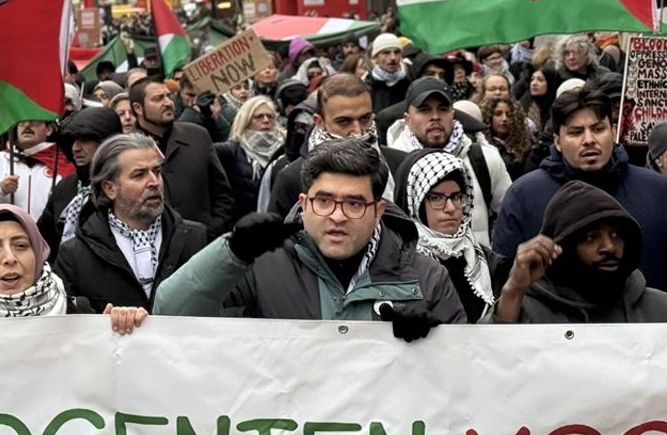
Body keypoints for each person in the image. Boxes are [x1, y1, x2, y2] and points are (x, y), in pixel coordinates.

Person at [153, 139, 465, 339]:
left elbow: (463, 376)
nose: (338, 216)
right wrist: (230, 253)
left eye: (355, 204)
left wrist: (432, 346)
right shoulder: (259, 267)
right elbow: (170, 314)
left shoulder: (426, 276)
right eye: (324, 201)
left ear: (378, 210)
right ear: (303, 203)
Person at [493, 88, 667, 320]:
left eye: (598, 129)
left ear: (613, 132)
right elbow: (503, 274)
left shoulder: (658, 190)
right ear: (557, 141)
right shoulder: (524, 195)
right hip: (557, 343)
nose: (589, 140)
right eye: (576, 132)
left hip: (651, 343)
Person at [0, 204, 148, 339]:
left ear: (38, 253)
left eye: (21, 245)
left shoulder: (77, 311)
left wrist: (121, 329)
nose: (9, 258)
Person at [490, 181, 667, 324]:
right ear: (563, 249)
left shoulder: (660, 308)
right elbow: (492, 364)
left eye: (616, 235)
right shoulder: (529, 311)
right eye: (591, 238)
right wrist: (513, 291)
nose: (609, 247)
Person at [55, 134, 207, 311]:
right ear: (110, 188)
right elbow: (68, 325)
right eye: (139, 175)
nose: (154, 182)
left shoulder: (195, 239)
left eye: (157, 172)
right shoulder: (75, 255)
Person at [386, 78, 512, 246]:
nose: (435, 117)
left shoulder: (484, 159)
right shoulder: (391, 167)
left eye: (443, 109)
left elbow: (511, 217)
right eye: (424, 110)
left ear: (453, 114)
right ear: (407, 119)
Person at [267, 74, 406, 218]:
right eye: (344, 122)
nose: (357, 131)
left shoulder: (400, 165)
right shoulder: (292, 178)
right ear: (319, 121)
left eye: (365, 119)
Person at [393, 150, 506, 322]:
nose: (451, 208)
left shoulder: (488, 262)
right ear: (415, 203)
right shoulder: (394, 263)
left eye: (457, 197)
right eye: (436, 198)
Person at [128, 78, 233, 238]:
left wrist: (213, 228)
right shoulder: (125, 149)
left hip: (204, 243)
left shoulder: (197, 135)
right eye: (158, 99)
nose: (168, 103)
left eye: (168, 96)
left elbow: (222, 192)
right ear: (138, 108)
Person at [37, 107, 123, 254]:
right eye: (72, 141)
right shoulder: (65, 187)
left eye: (85, 140)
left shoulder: (122, 187)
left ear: (106, 142)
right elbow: (42, 242)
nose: (76, 148)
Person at [0, 119, 73, 224]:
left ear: (48, 129)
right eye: (21, 122)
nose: (27, 125)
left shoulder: (63, 164)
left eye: (34, 121)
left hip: (49, 241)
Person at [216, 96, 284, 220]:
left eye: (270, 116)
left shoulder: (285, 148)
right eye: (259, 116)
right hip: (244, 224)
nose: (266, 120)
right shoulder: (233, 150)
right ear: (246, 120)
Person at [485, 97, 533, 181]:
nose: (504, 119)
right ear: (489, 117)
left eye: (509, 114)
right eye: (498, 114)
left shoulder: (525, 146)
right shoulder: (483, 146)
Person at [364, 34, 411, 111]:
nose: (393, 57)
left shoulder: (410, 80)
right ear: (375, 57)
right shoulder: (367, 87)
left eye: (396, 52)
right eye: (386, 53)